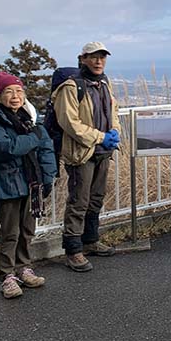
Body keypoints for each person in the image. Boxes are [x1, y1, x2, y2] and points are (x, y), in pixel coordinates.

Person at [0, 72, 56, 298]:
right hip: (6, 182)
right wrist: (34, 138)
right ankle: (7, 276)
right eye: (9, 91)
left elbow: (47, 148)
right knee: (10, 232)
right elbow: (6, 148)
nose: (15, 96)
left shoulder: (28, 118)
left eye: (19, 91)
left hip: (30, 182)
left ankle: (24, 268)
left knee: (26, 230)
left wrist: (49, 175)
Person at [52, 42, 121, 272]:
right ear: (82, 59)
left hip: (102, 152)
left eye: (102, 57)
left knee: (95, 199)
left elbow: (114, 112)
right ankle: (73, 250)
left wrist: (115, 132)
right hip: (82, 152)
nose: (99, 61)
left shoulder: (104, 83)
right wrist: (101, 137)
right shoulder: (71, 87)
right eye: (93, 57)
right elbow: (69, 123)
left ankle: (90, 241)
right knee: (78, 201)